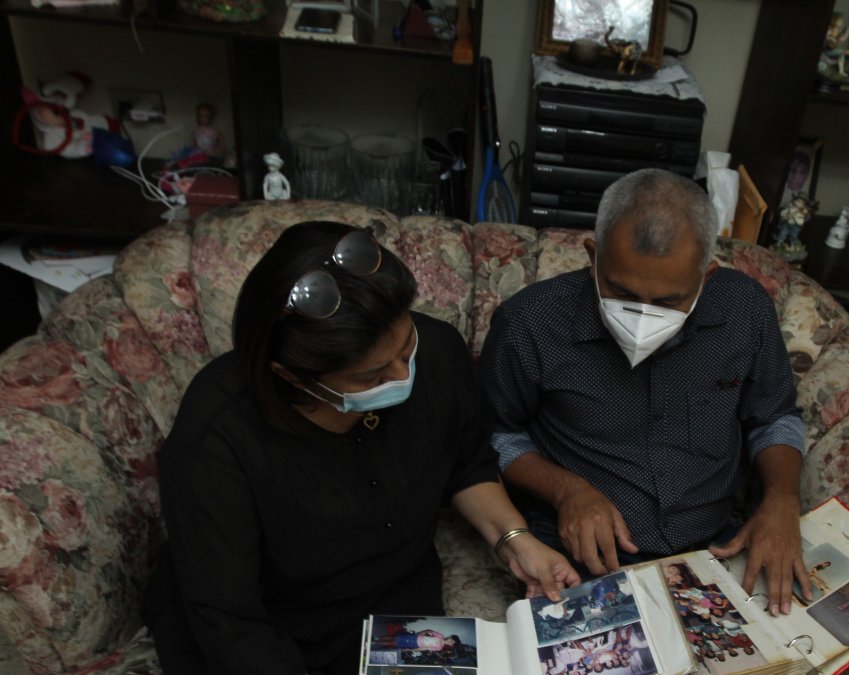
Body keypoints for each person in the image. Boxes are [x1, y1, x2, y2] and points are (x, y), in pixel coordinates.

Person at [140, 221, 580, 674]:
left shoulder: (436, 353)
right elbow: (228, 620)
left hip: (394, 607)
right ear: (292, 375)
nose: (401, 376)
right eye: (370, 377)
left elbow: (466, 464)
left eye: (405, 346)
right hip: (271, 629)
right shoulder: (215, 439)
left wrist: (516, 540)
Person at [479, 168, 810, 617]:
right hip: (586, 559)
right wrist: (566, 491)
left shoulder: (744, 308)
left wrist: (782, 499)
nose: (642, 317)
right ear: (593, 257)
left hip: (715, 548)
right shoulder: (529, 323)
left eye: (669, 301)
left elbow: (774, 417)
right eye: (621, 292)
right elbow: (494, 437)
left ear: (706, 276)